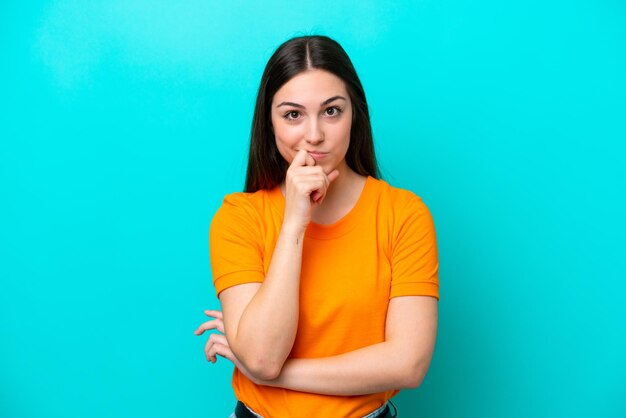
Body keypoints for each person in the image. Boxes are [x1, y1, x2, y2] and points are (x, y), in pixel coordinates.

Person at [194, 35, 439, 418]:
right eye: (293, 115)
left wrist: (271, 375)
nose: (314, 135)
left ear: (354, 114)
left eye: (331, 111)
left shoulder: (403, 214)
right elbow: (261, 355)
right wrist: (294, 221)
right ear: (269, 122)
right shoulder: (238, 217)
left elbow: (408, 365)